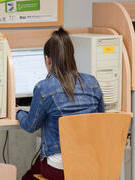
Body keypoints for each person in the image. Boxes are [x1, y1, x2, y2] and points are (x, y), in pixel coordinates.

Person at [16, 27, 105, 180]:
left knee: (31, 174)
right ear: (72, 57)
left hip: (59, 169)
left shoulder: (43, 87)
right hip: (90, 162)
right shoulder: (93, 83)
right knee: (36, 167)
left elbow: (31, 126)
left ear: (47, 59)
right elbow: (102, 120)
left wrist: (18, 112)